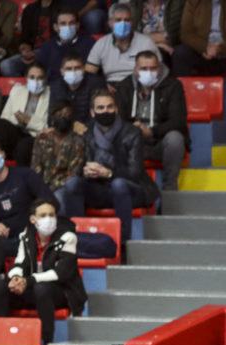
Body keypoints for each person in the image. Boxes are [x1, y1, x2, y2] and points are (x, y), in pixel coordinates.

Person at [61, 90, 160, 243]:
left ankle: (122, 242)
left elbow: (136, 172)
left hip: (130, 189)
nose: (105, 111)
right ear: (93, 113)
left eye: (109, 107)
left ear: (116, 109)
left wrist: (108, 173)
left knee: (118, 184)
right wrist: (85, 171)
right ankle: (77, 239)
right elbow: (76, 168)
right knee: (72, 184)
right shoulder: (86, 133)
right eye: (100, 108)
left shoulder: (132, 132)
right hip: (98, 189)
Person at [0, 197, 87, 344]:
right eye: (43, 215)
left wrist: (28, 281)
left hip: (62, 292)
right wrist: (15, 279)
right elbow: (19, 263)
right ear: (33, 219)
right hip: (32, 288)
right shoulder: (26, 237)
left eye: (51, 215)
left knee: (42, 289)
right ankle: (2, 340)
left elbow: (60, 273)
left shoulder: (68, 237)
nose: (48, 219)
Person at [115, 50, 188, 191]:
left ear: (159, 68)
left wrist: (151, 132)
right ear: (135, 70)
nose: (149, 72)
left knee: (175, 139)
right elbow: (119, 120)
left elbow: (178, 121)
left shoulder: (173, 86)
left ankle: (169, 188)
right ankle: (129, 190)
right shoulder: (125, 87)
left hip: (160, 141)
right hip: (134, 143)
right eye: (144, 68)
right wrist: (133, 130)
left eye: (153, 68)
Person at [0, 137, 54, 261]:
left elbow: (50, 202)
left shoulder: (26, 175)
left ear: (3, 153)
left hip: (32, 234)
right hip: (5, 239)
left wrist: (35, 224)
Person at [0, 64, 50, 166]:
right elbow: (5, 117)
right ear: (26, 79)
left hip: (36, 137)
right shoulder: (17, 90)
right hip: (16, 132)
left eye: (40, 78)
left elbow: (48, 128)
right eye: (32, 77)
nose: (35, 81)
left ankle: (21, 177)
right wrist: (20, 120)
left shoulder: (51, 94)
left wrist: (29, 121)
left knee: (23, 146)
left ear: (45, 79)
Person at [31, 99, 86, 210]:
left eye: (67, 115)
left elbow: (74, 172)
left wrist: (50, 190)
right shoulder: (42, 138)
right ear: (52, 117)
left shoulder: (78, 142)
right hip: (41, 185)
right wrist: (40, 188)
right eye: (59, 114)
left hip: (62, 187)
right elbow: (35, 166)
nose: (62, 118)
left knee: (57, 199)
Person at [86, 4, 160, 86]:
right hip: (110, 87)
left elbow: (159, 71)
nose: (123, 24)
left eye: (127, 20)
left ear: (132, 22)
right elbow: (89, 74)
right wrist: (103, 86)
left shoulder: (146, 42)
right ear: (110, 23)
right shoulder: (101, 43)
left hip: (138, 85)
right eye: (118, 20)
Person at [30, 8, 96, 81]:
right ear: (55, 27)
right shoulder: (47, 47)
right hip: (54, 88)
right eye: (63, 23)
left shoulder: (90, 43)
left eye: (71, 23)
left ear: (77, 25)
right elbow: (40, 73)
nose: (67, 26)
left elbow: (91, 73)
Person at [0, 0, 60, 78]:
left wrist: (40, 54)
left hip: (52, 53)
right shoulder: (30, 9)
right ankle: (24, 87)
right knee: (6, 65)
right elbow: (25, 37)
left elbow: (62, 41)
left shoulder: (62, 8)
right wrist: (24, 48)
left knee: (51, 68)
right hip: (32, 53)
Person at [50, 52, 106, 132]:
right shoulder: (55, 86)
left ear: (83, 69)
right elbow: (52, 114)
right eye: (69, 69)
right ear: (62, 71)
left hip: (90, 130)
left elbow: (99, 113)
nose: (73, 71)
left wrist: (84, 127)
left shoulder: (96, 83)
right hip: (63, 130)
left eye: (77, 68)